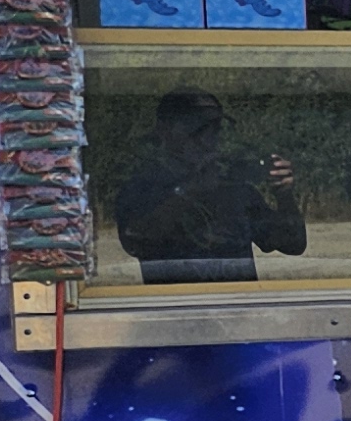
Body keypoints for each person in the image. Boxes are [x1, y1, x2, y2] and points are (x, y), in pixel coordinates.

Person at [112, 87, 306, 283]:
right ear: (165, 130)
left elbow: (292, 243)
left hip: (238, 306)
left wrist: (284, 194)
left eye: (215, 128)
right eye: (196, 128)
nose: (207, 137)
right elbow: (136, 242)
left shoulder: (234, 189)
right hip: (175, 307)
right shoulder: (144, 187)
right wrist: (189, 192)